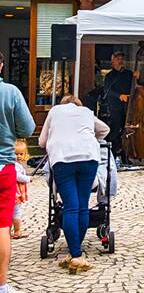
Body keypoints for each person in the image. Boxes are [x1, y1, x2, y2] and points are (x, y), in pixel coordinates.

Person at [39, 95, 110, 274]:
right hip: (88, 158)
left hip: (63, 159)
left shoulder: (55, 111)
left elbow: (41, 142)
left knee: (71, 207)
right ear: (78, 105)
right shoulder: (86, 112)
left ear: (62, 105)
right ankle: (75, 252)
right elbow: (105, 130)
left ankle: (76, 254)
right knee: (82, 206)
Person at [0, 54, 34, 293]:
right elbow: (28, 128)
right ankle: (1, 286)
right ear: (1, 65)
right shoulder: (10, 92)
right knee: (2, 227)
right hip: (3, 166)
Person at [103, 51, 134, 159]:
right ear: (113, 61)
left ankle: (127, 154)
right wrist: (119, 95)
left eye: (121, 59)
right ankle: (115, 154)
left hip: (129, 106)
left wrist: (137, 78)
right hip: (115, 107)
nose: (120, 61)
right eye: (118, 59)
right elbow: (107, 90)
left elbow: (136, 87)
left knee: (129, 130)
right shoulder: (110, 76)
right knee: (116, 130)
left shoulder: (129, 74)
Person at [12, 140, 30, 240]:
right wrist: (28, 178)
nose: (18, 156)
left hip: (16, 191)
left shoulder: (17, 164)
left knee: (12, 211)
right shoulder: (14, 165)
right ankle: (17, 231)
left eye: (21, 154)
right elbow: (17, 176)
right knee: (16, 211)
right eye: (16, 154)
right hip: (16, 192)